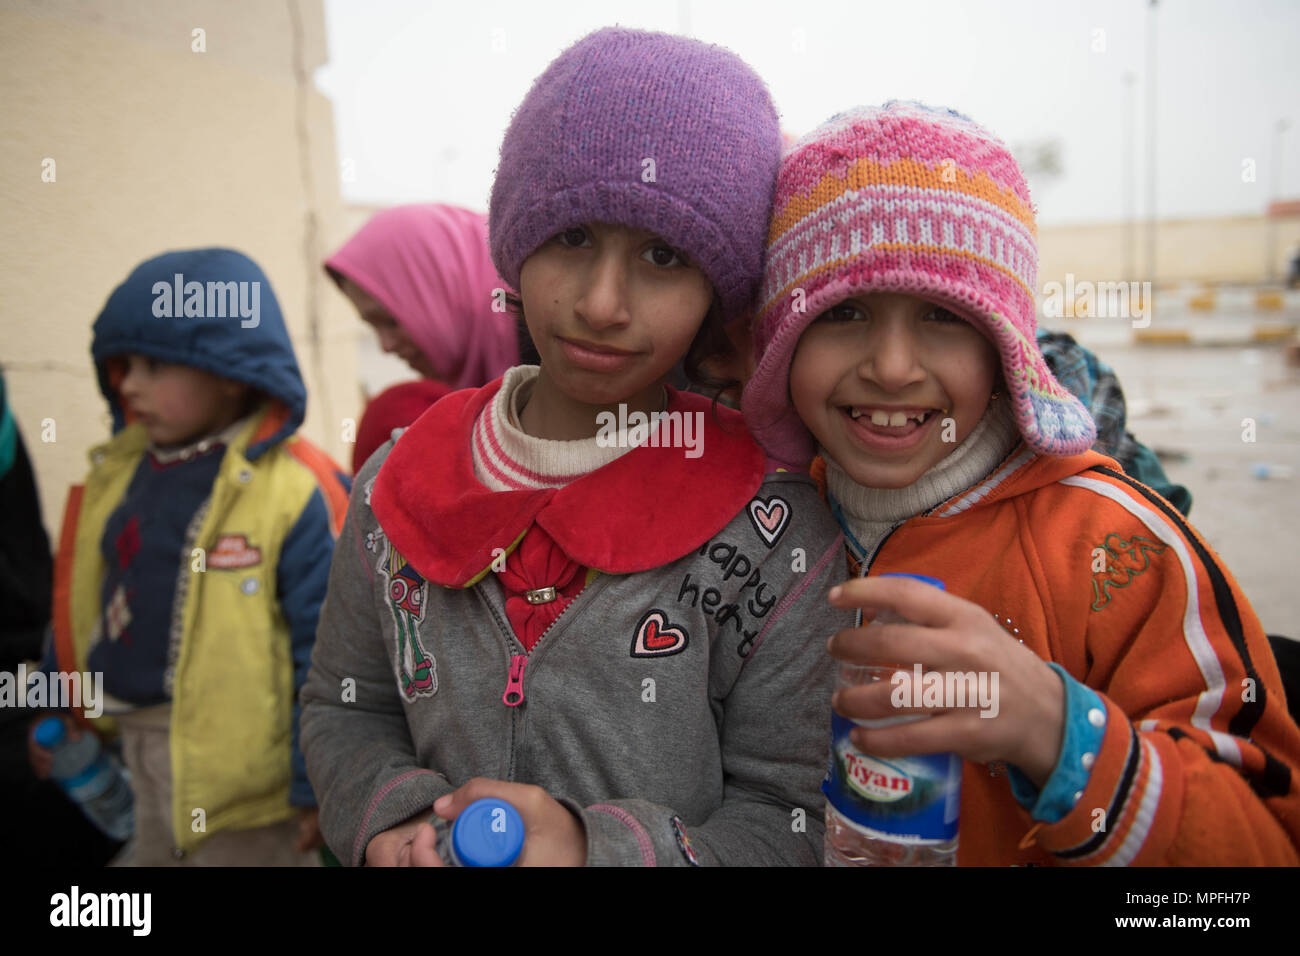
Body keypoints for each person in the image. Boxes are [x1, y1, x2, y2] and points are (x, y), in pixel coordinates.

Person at [300, 27, 849, 867]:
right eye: (572, 238)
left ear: (718, 289)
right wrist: (391, 825)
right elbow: (347, 709)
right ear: (516, 244)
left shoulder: (773, 524)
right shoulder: (396, 482)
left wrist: (603, 854)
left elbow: (790, 812)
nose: (601, 303)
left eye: (664, 256)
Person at [742, 101, 1300, 864]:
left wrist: (1058, 731)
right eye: (845, 313)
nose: (893, 367)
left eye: (943, 314)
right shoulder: (759, 526)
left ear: (1006, 345)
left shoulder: (1117, 545)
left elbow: (1266, 845)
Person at [30, 247, 350, 865]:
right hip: (134, 746)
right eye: (122, 366)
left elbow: (326, 646)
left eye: (153, 365)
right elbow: (79, 599)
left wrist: (318, 779)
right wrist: (53, 696)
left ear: (230, 372)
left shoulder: (291, 493)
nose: (128, 384)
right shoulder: (117, 477)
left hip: (251, 790)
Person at [324, 204, 519, 472]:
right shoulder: (463, 398)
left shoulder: (548, 350)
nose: (386, 346)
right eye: (373, 327)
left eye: (391, 322)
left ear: (440, 284)